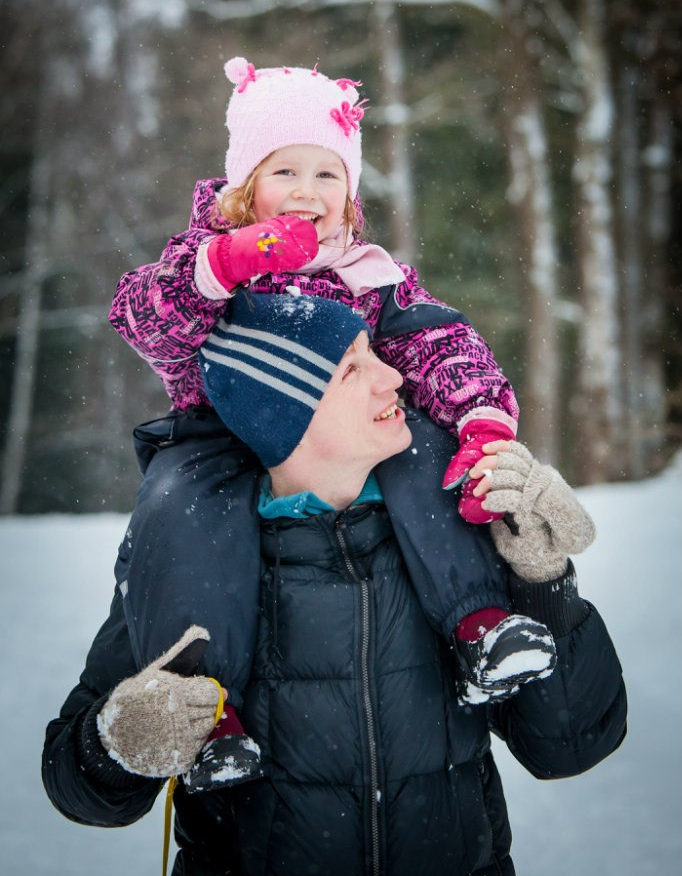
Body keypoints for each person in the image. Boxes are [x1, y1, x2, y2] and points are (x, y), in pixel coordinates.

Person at [43, 292, 627, 876]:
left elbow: (571, 745)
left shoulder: (444, 539)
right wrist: (116, 742)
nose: (393, 375)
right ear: (285, 417)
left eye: (373, 353)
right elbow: (81, 790)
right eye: (353, 368)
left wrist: (544, 581)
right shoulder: (196, 569)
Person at [109, 57, 546, 777]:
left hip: (353, 435)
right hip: (221, 436)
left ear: (350, 192)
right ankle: (197, 704)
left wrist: (481, 416)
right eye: (285, 172)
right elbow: (143, 320)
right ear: (245, 185)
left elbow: (441, 341)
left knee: (425, 461)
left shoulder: (368, 273)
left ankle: (479, 623)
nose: (307, 193)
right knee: (177, 510)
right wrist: (220, 268)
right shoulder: (202, 260)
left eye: (327, 175)